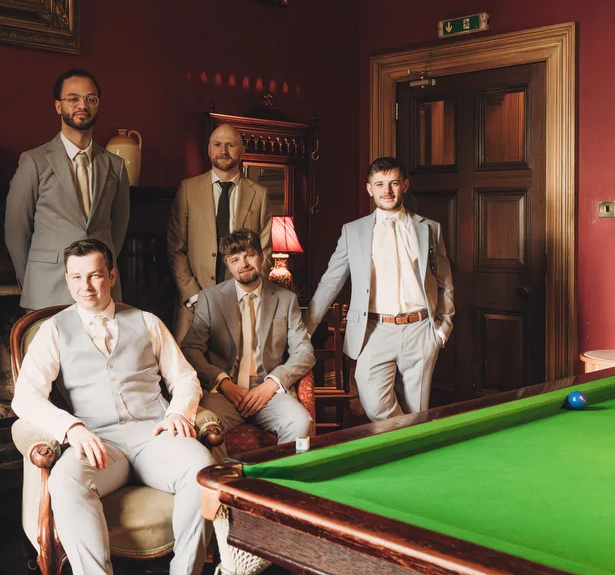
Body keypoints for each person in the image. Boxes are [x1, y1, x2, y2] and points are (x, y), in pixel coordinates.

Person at [11, 238, 214, 575]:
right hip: (98, 441)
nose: (86, 286)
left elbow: (186, 378)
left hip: (153, 431)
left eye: (95, 275)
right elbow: (25, 398)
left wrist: (179, 413)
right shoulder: (54, 330)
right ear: (67, 280)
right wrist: (71, 427)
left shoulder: (146, 321)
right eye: (77, 277)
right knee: (65, 482)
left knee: (203, 470)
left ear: (112, 276)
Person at [304, 157, 454, 421]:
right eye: (380, 184)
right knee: (375, 405)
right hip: (373, 330)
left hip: (420, 329)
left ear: (405, 186)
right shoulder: (353, 232)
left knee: (416, 410)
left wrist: (443, 328)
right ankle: (413, 440)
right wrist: (304, 329)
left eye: (394, 183)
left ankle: (409, 459)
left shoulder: (430, 228)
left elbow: (444, 281)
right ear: (369, 189)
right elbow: (330, 282)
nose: (387, 190)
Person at [5, 68, 130, 311]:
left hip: (101, 292)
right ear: (58, 106)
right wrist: (31, 279)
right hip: (47, 289)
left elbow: (119, 228)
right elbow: (16, 229)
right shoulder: (34, 161)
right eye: (73, 99)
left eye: (90, 99)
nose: (82, 105)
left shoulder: (115, 166)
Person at [182, 230, 314, 445]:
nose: (243, 263)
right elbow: (191, 349)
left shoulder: (286, 299)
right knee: (205, 429)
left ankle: (284, 479)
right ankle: (226, 478)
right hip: (223, 394)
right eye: (235, 259)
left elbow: (304, 351)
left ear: (261, 257)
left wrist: (272, 383)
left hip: (269, 394)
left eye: (249, 255)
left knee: (301, 423)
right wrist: (224, 383)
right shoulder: (211, 298)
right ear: (227, 264)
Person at [167, 123, 271, 342]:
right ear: (209, 149)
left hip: (242, 304)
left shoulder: (259, 194)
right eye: (217, 145)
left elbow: (265, 251)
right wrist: (194, 297)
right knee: (187, 372)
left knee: (240, 372)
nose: (223, 151)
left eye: (231, 145)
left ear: (242, 152)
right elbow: (175, 249)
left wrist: (248, 292)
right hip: (193, 305)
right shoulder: (188, 189)